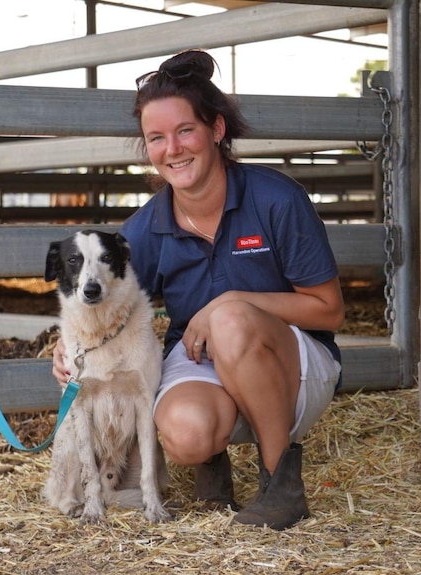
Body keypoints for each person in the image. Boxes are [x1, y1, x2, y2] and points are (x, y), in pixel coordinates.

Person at [53, 49, 344, 531]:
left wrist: (233, 303)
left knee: (230, 320)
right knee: (185, 433)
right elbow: (103, 302)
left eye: (185, 130)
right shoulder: (145, 229)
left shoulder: (277, 200)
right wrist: (67, 349)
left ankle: (280, 485)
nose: (173, 149)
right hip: (204, 359)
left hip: (294, 365)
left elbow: (329, 311)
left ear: (217, 130)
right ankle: (212, 464)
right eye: (156, 138)